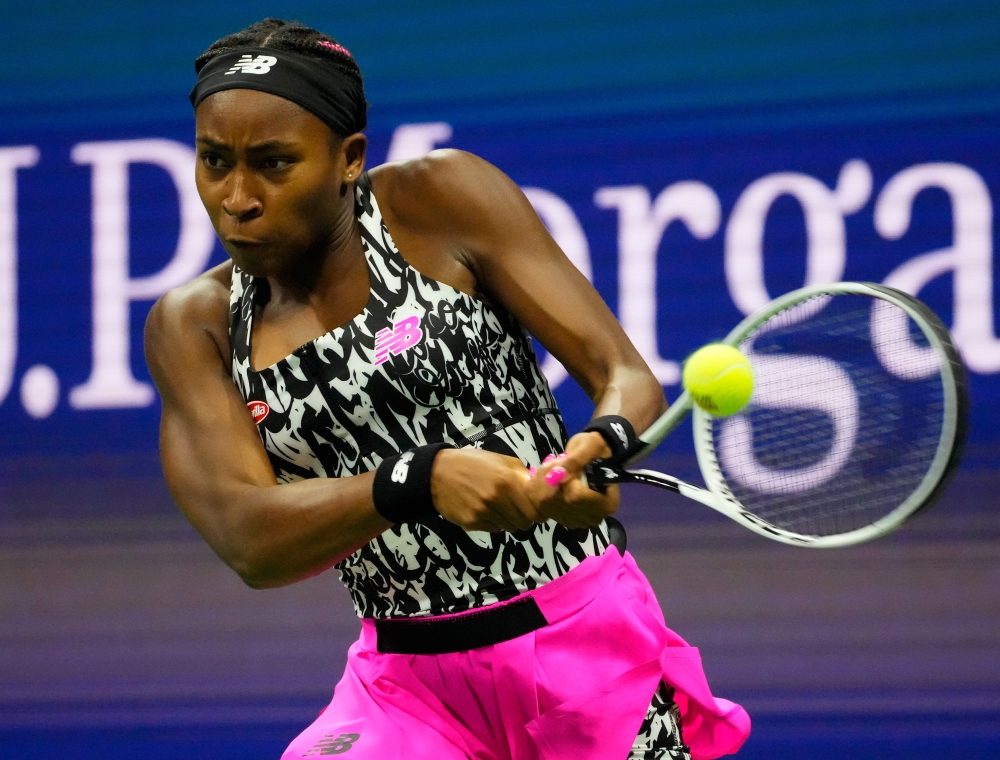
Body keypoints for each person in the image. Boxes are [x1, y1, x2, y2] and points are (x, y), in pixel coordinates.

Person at [145, 18, 749, 760]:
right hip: (405, 687)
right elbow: (248, 538)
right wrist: (416, 481)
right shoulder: (196, 325)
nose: (237, 197)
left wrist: (603, 443)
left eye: (273, 164)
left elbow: (623, 375)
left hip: (582, 644)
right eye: (214, 161)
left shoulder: (441, 200)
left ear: (348, 158)